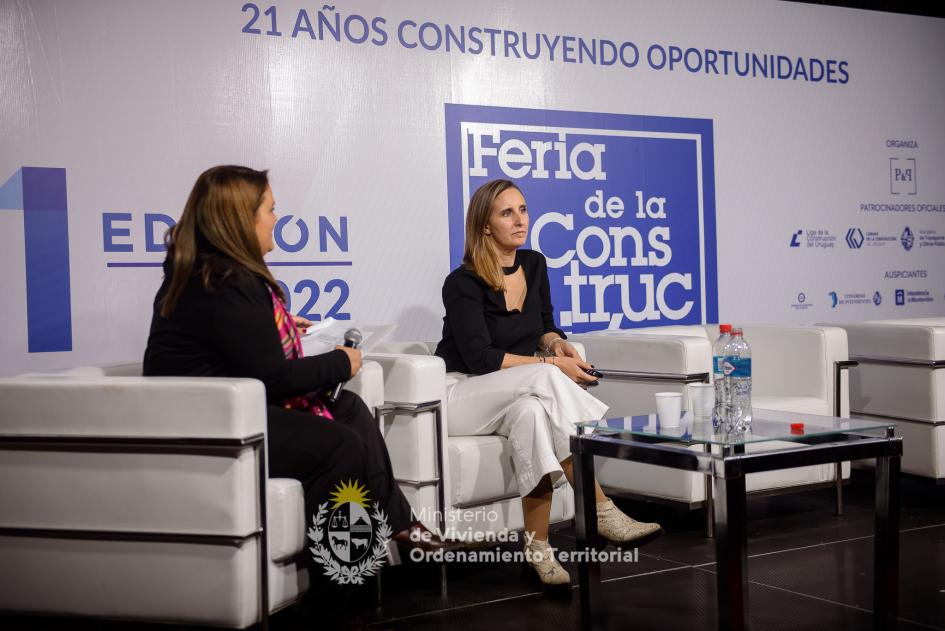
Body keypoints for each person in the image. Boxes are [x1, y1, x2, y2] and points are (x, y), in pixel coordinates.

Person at [142, 165, 448, 625]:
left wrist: (280, 328)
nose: (276, 219)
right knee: (338, 445)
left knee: (349, 408)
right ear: (241, 219)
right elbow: (273, 376)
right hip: (209, 423)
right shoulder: (224, 280)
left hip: (231, 408)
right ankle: (334, 597)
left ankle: (400, 524)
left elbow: (245, 353)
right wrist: (341, 361)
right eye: (270, 209)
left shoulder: (211, 273)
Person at [435, 179, 662, 586]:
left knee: (532, 415)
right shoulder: (462, 283)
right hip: (459, 393)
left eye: (522, 209)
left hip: (514, 392)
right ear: (485, 226)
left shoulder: (535, 264)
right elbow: (480, 358)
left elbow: (544, 327)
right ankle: (602, 508)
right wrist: (551, 366)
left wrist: (558, 345)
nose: (520, 219)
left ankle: (537, 548)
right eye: (507, 213)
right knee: (544, 375)